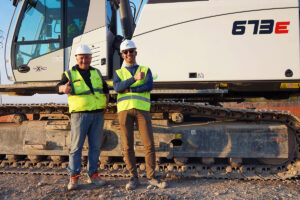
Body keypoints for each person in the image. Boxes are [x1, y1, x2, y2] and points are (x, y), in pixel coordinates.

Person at [113, 39, 167, 190]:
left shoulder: (145, 69)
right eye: (125, 52)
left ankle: (151, 177)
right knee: (128, 146)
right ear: (122, 55)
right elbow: (117, 88)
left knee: (149, 144)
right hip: (124, 111)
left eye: (131, 51)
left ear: (136, 52)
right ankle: (133, 178)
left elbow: (149, 86)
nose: (129, 54)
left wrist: (130, 89)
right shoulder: (119, 72)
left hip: (142, 110)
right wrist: (134, 79)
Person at [56, 44, 109, 190]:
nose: (84, 60)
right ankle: (73, 178)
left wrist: (105, 104)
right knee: (76, 148)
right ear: (76, 58)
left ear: (91, 58)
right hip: (79, 116)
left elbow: (105, 90)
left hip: (97, 115)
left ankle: (93, 175)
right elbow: (58, 87)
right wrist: (63, 88)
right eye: (82, 58)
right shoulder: (69, 74)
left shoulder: (96, 72)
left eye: (87, 57)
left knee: (95, 147)